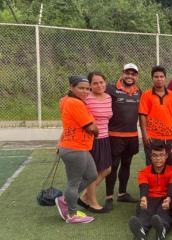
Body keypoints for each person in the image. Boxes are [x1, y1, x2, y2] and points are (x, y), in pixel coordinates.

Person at [54, 75, 98, 224]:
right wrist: (96, 130)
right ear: (72, 87)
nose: (85, 91)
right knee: (74, 181)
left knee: (91, 175)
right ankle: (72, 214)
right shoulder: (75, 103)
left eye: (87, 88)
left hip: (79, 147)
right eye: (81, 88)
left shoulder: (71, 101)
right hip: (74, 148)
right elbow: (90, 127)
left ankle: (65, 199)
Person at [105, 63, 141, 208]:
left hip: (132, 135)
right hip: (115, 135)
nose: (130, 76)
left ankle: (122, 194)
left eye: (133, 74)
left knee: (127, 164)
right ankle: (108, 197)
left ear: (137, 76)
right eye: (128, 73)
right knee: (113, 166)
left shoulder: (139, 91)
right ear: (122, 73)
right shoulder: (110, 89)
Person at [129, 143, 172, 240]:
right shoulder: (144, 172)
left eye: (161, 155)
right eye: (155, 155)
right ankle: (141, 231)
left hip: (165, 199)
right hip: (150, 198)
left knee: (163, 213)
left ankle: (162, 229)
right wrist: (143, 198)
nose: (158, 158)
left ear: (166, 156)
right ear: (150, 157)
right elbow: (143, 187)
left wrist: (168, 199)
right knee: (144, 212)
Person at [80, 71, 112, 213]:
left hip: (105, 138)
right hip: (92, 140)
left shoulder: (108, 97)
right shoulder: (86, 99)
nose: (99, 85)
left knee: (106, 169)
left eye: (101, 82)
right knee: (93, 172)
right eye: (95, 83)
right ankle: (92, 202)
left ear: (105, 82)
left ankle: (84, 196)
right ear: (90, 85)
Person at [138, 65, 172, 165]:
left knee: (170, 165)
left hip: (170, 137)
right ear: (152, 79)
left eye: (161, 77)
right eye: (156, 77)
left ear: (165, 78)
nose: (159, 79)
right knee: (152, 165)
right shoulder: (146, 95)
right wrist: (145, 135)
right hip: (152, 138)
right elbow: (142, 116)